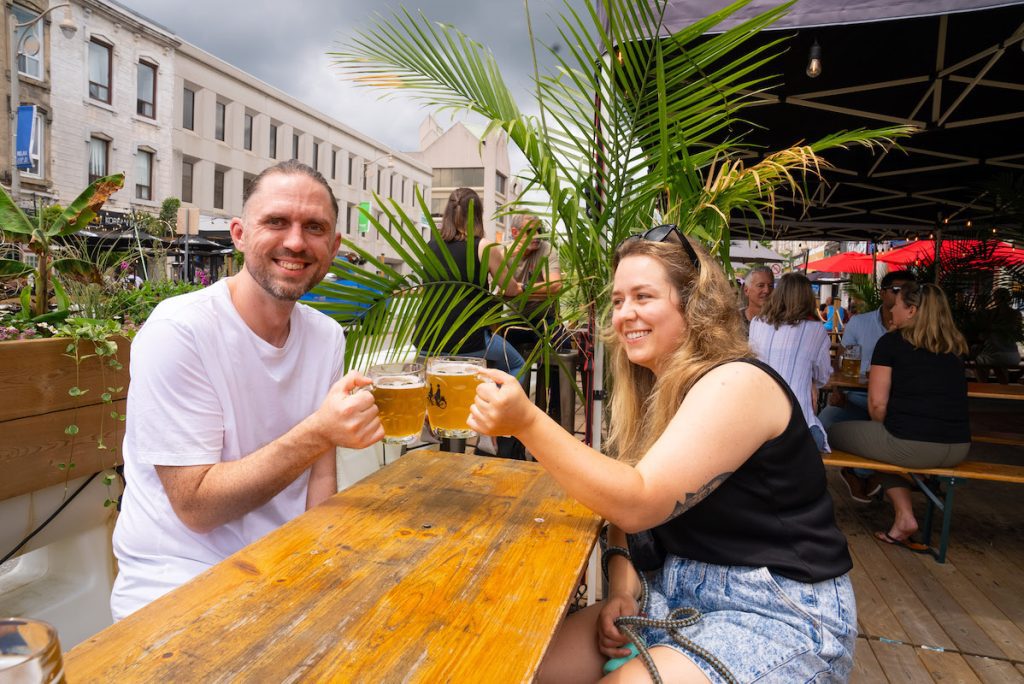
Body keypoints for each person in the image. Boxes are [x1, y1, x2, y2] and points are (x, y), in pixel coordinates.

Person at [469, 226, 855, 682]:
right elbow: (619, 508)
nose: (625, 313)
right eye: (617, 301)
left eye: (643, 296)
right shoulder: (653, 392)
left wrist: (527, 422)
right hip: (671, 594)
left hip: (776, 612)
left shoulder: (737, 383)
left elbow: (638, 501)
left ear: (694, 304)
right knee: (517, 669)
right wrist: (623, 588)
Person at [110, 161, 385, 620]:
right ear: (239, 234)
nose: (295, 242)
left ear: (334, 247)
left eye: (314, 228)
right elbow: (195, 505)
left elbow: (320, 478)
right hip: (177, 584)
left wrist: (323, 566)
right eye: (276, 222)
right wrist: (321, 432)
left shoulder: (326, 336)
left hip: (282, 565)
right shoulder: (180, 330)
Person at [828, 282, 970, 552]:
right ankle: (904, 512)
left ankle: (898, 506)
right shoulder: (953, 347)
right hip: (958, 447)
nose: (890, 310)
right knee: (883, 448)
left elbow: (877, 405)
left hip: (911, 445)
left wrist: (887, 437)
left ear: (912, 310)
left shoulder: (892, 343)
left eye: (896, 305)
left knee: (832, 430)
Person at [414, 187, 525, 458]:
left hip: (428, 344)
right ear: (479, 215)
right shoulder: (483, 247)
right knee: (517, 364)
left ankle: (431, 421)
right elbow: (509, 288)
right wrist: (520, 287)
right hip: (469, 343)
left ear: (448, 215)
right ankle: (491, 424)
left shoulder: (430, 247)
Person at [821, 270, 915, 502]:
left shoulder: (919, 331)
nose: (904, 294)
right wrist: (836, 391)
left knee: (889, 432)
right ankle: (858, 472)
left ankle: (862, 472)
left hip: (897, 406)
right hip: (856, 398)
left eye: (910, 290)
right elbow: (840, 363)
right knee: (822, 425)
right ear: (883, 294)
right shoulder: (860, 323)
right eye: (897, 290)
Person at [749, 272, 833, 452]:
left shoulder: (757, 323)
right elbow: (823, 377)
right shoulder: (816, 330)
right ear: (807, 298)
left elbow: (752, 364)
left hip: (758, 423)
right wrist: (810, 382)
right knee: (820, 437)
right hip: (798, 425)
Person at [502, 213, 566, 420]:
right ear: (514, 233)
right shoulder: (502, 253)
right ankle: (509, 419)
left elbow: (555, 286)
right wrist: (539, 288)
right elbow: (498, 291)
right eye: (530, 231)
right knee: (498, 353)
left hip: (545, 318)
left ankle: (555, 413)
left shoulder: (547, 250)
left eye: (539, 230)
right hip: (514, 320)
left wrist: (520, 288)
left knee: (562, 346)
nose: (537, 236)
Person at [973, 287, 1022, 384]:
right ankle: (1002, 386)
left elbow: (982, 333)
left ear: (995, 298)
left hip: (996, 354)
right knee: (994, 363)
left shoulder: (991, 314)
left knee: (980, 360)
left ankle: (983, 386)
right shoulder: (1015, 314)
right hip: (1012, 354)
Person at [737, 265, 773, 334]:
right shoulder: (735, 319)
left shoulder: (780, 320)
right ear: (746, 290)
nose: (767, 290)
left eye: (771, 286)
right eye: (761, 285)